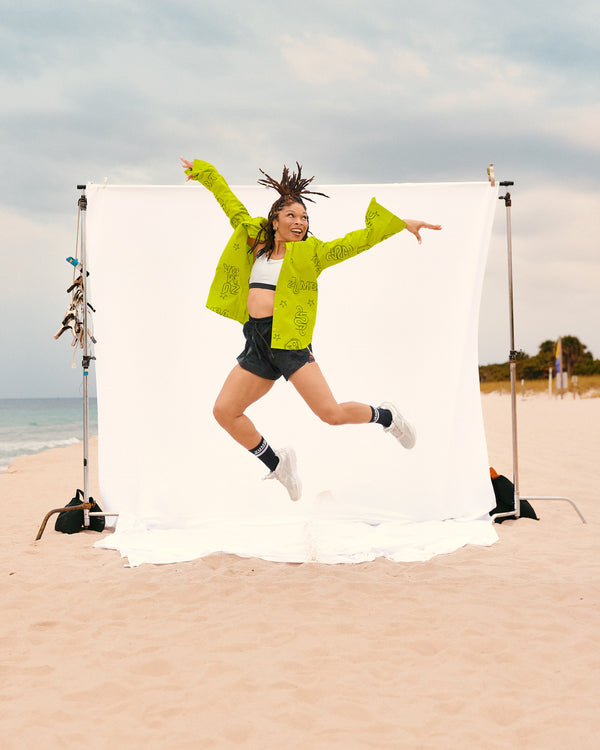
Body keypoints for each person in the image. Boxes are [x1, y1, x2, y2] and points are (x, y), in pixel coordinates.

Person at [181, 157, 441, 501]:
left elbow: (355, 241)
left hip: (289, 344)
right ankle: (277, 464)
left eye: (304, 217)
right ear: (274, 221)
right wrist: (205, 172)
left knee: (331, 415)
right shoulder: (255, 245)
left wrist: (398, 225)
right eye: (291, 215)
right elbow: (232, 206)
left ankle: (387, 416)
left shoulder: (311, 253)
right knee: (224, 412)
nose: (299, 222)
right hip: (257, 344)